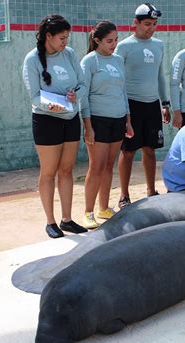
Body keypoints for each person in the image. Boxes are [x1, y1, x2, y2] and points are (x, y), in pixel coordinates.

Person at [22, 14, 88, 238]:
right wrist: (53, 107)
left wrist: (74, 94)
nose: (65, 42)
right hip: (46, 120)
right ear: (48, 36)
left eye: (67, 37)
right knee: (49, 172)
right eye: (61, 37)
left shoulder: (69, 55)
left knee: (67, 170)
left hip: (70, 118)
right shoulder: (32, 60)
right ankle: (50, 222)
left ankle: (67, 219)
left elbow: (82, 83)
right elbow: (34, 96)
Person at [115, 3, 170, 209]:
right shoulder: (124, 47)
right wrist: (123, 110)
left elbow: (160, 75)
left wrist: (165, 103)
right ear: (135, 23)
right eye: (147, 24)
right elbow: (118, 80)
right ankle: (124, 195)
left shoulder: (159, 45)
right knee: (128, 151)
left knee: (150, 149)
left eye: (154, 24)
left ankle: (151, 190)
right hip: (131, 106)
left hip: (152, 105)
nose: (151, 28)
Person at [80, 21, 134, 229]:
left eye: (116, 40)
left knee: (109, 165)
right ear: (97, 40)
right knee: (96, 166)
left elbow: (123, 91)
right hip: (98, 120)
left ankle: (104, 207)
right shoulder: (89, 61)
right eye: (109, 41)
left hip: (118, 119)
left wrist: (127, 120)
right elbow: (83, 96)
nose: (114, 44)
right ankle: (88, 211)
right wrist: (88, 125)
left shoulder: (118, 60)